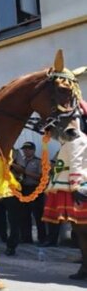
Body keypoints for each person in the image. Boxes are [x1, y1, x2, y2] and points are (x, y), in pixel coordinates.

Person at [42, 100, 87, 280]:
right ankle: (84, 267)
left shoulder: (77, 140)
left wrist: (75, 186)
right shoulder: (71, 139)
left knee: (82, 232)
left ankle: (84, 267)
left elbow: (76, 163)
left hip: (75, 188)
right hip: (72, 186)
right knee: (80, 232)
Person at [13, 141, 47, 244]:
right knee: (24, 215)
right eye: (24, 149)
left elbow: (42, 177)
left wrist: (26, 172)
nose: (26, 151)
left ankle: (42, 238)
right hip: (23, 189)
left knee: (38, 215)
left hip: (35, 189)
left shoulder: (38, 162)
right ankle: (26, 238)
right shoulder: (21, 161)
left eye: (28, 149)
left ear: (33, 150)